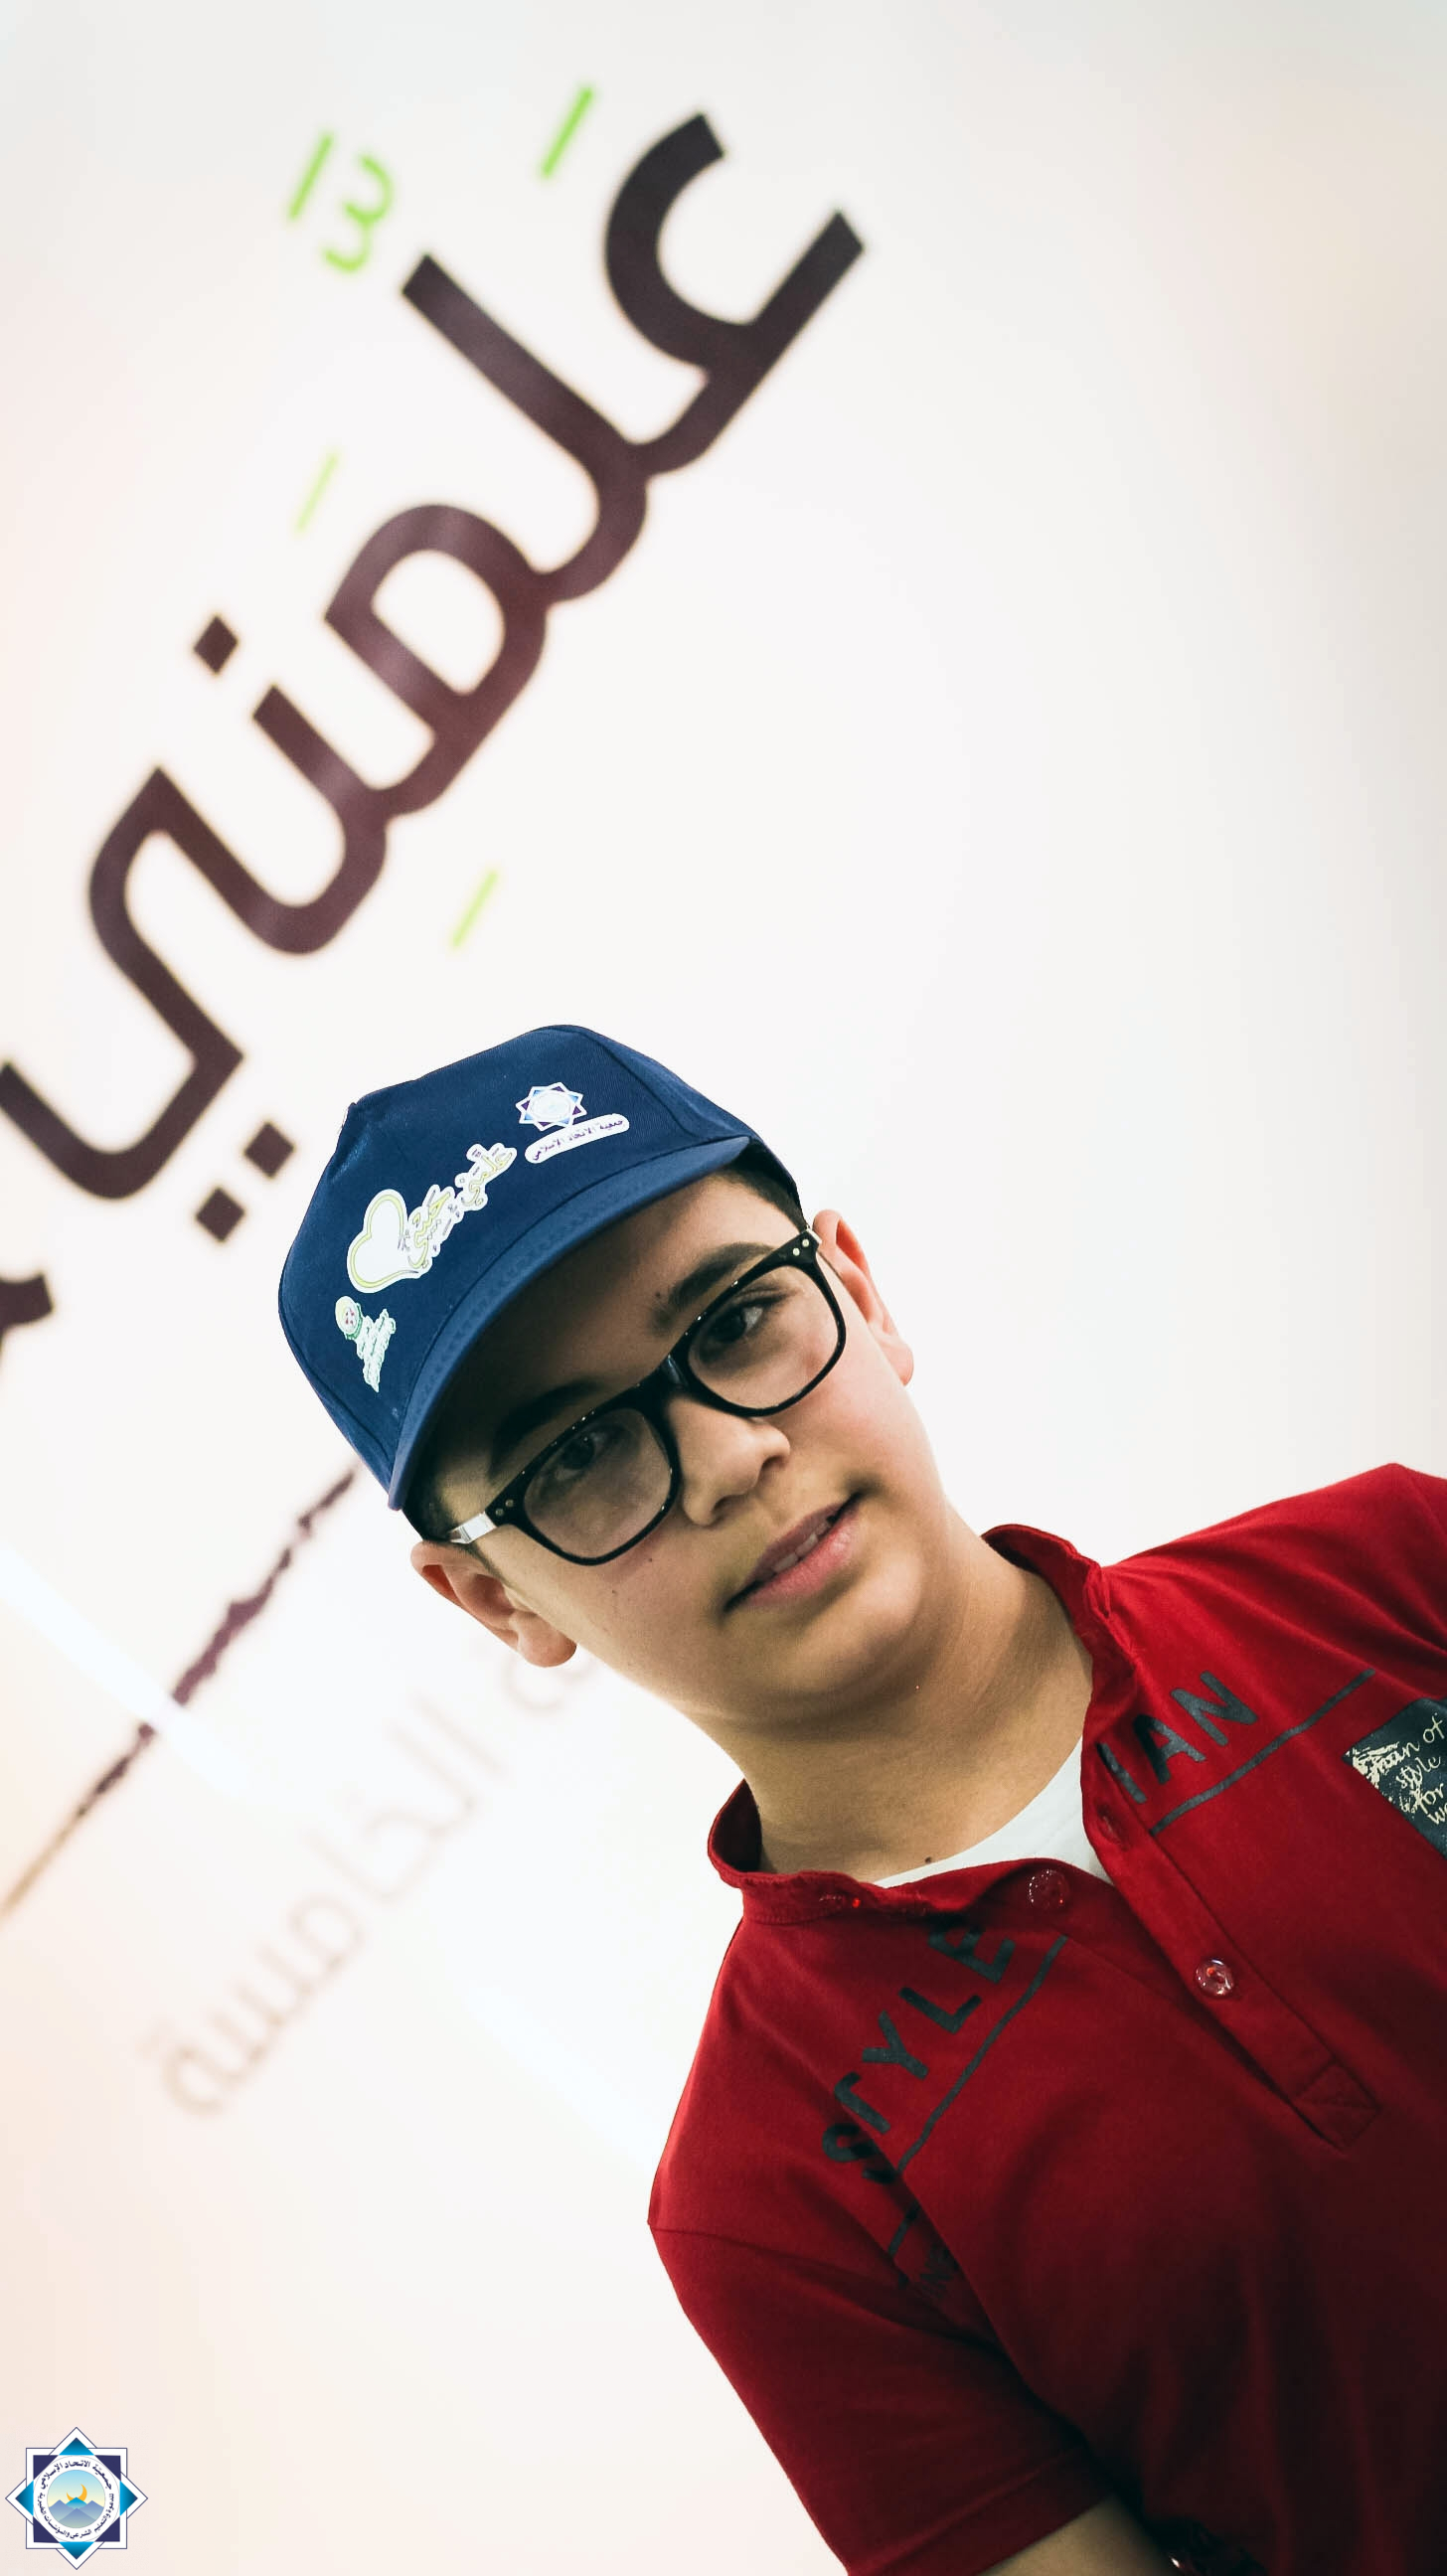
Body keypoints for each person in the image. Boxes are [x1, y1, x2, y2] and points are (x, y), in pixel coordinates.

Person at [279, 1024, 1447, 2576]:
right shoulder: (768, 2202)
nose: (726, 1458)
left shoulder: (1383, 1567)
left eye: (737, 1320)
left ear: (860, 1289)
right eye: (577, 1454)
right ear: (497, 1600)